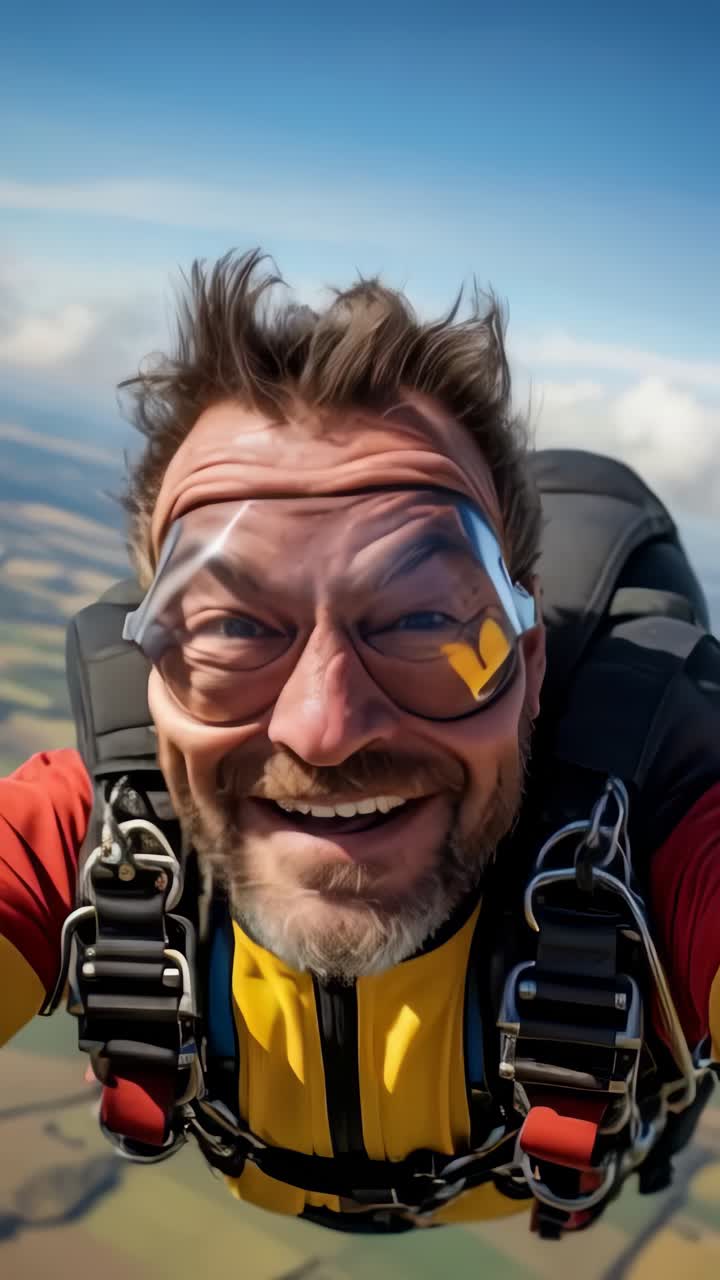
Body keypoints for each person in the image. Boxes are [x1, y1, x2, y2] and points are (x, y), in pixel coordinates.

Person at [1, 250, 719, 1238]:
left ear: (532, 665)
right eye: (234, 626)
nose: (324, 729)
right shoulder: (95, 830)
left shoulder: (662, 826)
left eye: (424, 618)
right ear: (154, 673)